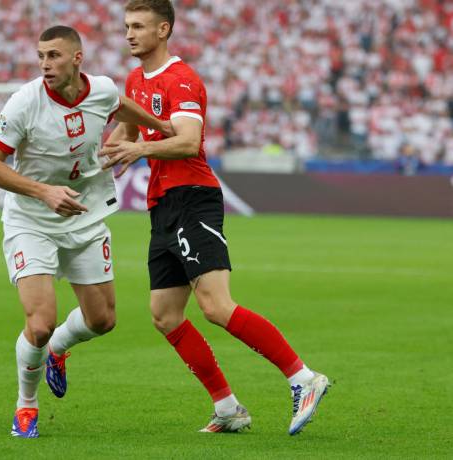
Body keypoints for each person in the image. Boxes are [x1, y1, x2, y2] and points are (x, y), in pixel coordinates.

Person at [101, 0, 330, 436]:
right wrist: (91, 160)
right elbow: (125, 135)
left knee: (216, 306)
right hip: (162, 204)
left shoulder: (182, 80)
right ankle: (227, 407)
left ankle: (304, 378)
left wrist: (141, 150)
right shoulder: (134, 78)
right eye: (126, 26)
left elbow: (189, 142)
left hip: (193, 196)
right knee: (165, 314)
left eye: (139, 26)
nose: (129, 34)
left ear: (163, 29)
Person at [0, 25, 173, 438]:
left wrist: (160, 126)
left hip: (83, 215)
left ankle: (57, 351)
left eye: (54, 56)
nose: (46, 64)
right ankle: (26, 406)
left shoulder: (99, 89)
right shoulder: (24, 103)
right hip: (30, 219)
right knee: (40, 321)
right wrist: (44, 192)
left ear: (77, 58)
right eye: (41, 56)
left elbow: (121, 107)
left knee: (103, 320)